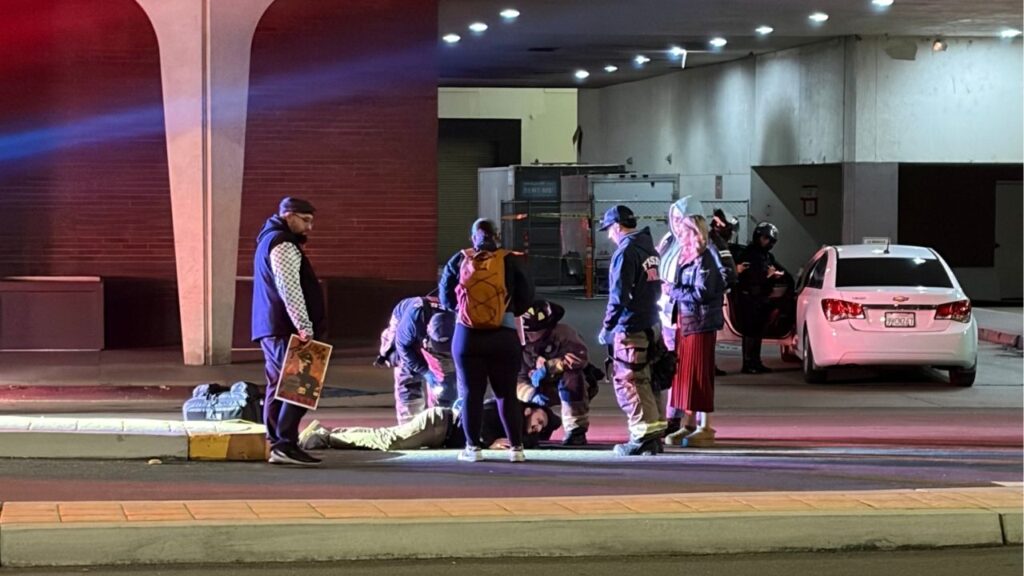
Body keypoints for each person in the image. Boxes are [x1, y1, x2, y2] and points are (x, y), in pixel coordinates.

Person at [439, 219, 534, 463]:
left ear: (473, 238)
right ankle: (517, 449)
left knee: (472, 393)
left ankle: (473, 448)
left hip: (467, 336)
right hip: (504, 334)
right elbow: (526, 298)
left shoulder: (459, 259)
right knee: (506, 394)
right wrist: (505, 310)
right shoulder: (510, 260)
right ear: (497, 236)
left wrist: (469, 313)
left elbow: (445, 298)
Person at [251, 197, 325, 467]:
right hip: (286, 328)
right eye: (305, 220)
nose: (309, 227)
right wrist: (305, 327)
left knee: (278, 385)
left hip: (271, 327)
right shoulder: (283, 243)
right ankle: (285, 444)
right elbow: (289, 288)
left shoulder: (266, 240)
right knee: (301, 385)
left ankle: (277, 441)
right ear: (289, 215)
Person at [597, 205, 667, 456]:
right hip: (651, 324)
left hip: (631, 328)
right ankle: (655, 435)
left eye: (609, 230)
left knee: (631, 382)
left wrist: (608, 327)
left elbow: (618, 296)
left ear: (617, 226)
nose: (609, 236)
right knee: (649, 380)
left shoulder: (625, 252)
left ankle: (642, 437)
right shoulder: (649, 248)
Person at [663, 213, 726, 448]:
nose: (680, 235)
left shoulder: (705, 258)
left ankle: (704, 426)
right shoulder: (687, 257)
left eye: (684, 231)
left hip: (700, 324)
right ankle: (687, 424)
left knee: (699, 376)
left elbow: (702, 293)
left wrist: (674, 290)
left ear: (695, 233)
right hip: (686, 322)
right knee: (684, 377)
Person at [298, 400, 559, 453]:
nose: (536, 427)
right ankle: (326, 436)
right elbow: (475, 416)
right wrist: (489, 442)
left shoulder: (514, 423)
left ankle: (331, 433)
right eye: (539, 421)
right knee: (387, 441)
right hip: (438, 424)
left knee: (387, 437)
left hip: (439, 430)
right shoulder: (504, 408)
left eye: (540, 428)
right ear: (529, 410)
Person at [516, 299, 592, 446]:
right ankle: (528, 431)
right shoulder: (519, 340)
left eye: (535, 332)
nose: (529, 337)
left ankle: (575, 430)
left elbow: (580, 358)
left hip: (565, 386)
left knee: (573, 377)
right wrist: (531, 395)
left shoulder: (564, 334)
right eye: (527, 332)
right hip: (537, 391)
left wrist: (549, 367)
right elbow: (517, 378)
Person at [375, 296, 457, 424]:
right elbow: (403, 348)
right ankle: (408, 422)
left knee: (446, 377)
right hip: (405, 325)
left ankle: (441, 419)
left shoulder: (459, 321)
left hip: (438, 331)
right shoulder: (412, 322)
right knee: (406, 369)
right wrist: (424, 371)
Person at [735, 221, 789, 374]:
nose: (768, 242)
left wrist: (774, 275)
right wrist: (769, 274)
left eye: (770, 240)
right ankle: (748, 363)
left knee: (758, 331)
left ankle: (756, 361)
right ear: (758, 236)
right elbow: (752, 276)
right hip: (749, 298)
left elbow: (774, 271)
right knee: (750, 331)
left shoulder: (766, 255)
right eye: (765, 238)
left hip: (761, 298)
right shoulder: (750, 254)